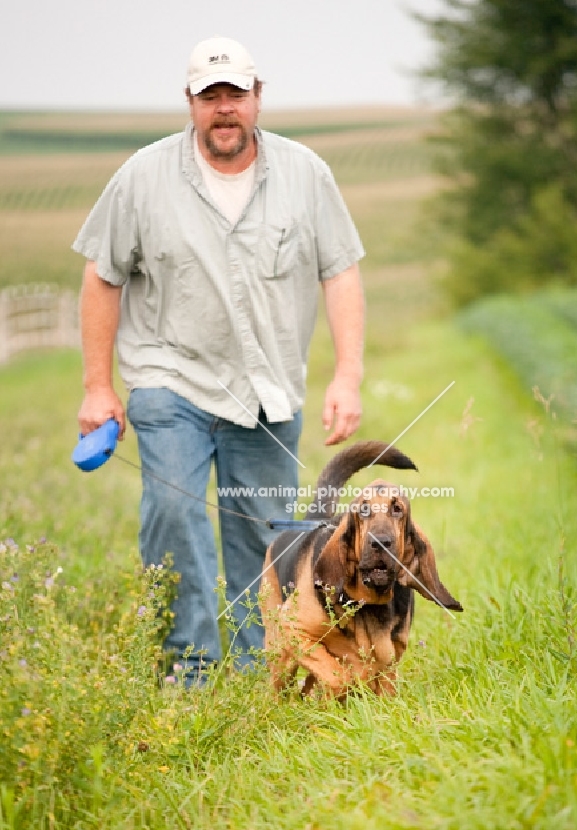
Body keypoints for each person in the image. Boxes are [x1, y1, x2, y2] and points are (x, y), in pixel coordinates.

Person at [73, 36, 365, 683]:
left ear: (258, 98)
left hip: (267, 390)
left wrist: (346, 375)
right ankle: (189, 667)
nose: (224, 108)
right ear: (190, 102)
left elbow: (340, 273)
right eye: (211, 96)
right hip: (168, 379)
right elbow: (102, 279)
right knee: (174, 512)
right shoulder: (143, 177)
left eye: (236, 93)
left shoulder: (306, 174)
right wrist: (98, 387)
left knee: (262, 533)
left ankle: (257, 667)